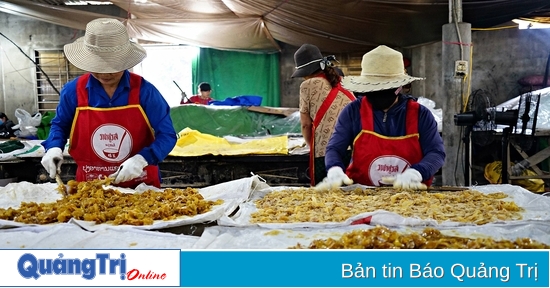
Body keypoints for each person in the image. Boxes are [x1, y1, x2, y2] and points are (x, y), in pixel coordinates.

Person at [40, 18, 177, 188]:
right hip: (91, 187)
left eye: (112, 67)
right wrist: (53, 147)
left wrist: (143, 159)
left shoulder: (145, 91)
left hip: (141, 185)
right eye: (97, 66)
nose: (104, 73)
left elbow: (168, 135)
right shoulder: (73, 91)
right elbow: (60, 125)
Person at [316, 45, 445, 190]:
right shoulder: (353, 112)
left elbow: (436, 152)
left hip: (410, 197)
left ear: (399, 87)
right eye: (373, 88)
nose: (379, 93)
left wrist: (417, 172)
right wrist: (334, 168)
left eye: (385, 88)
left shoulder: (420, 114)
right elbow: (334, 148)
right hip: (361, 197)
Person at [291, 44, 355, 186]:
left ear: (306, 71)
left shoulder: (307, 85)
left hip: (326, 151)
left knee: (327, 199)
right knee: (352, 196)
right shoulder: (341, 80)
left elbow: (305, 124)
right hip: (353, 148)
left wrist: (311, 146)